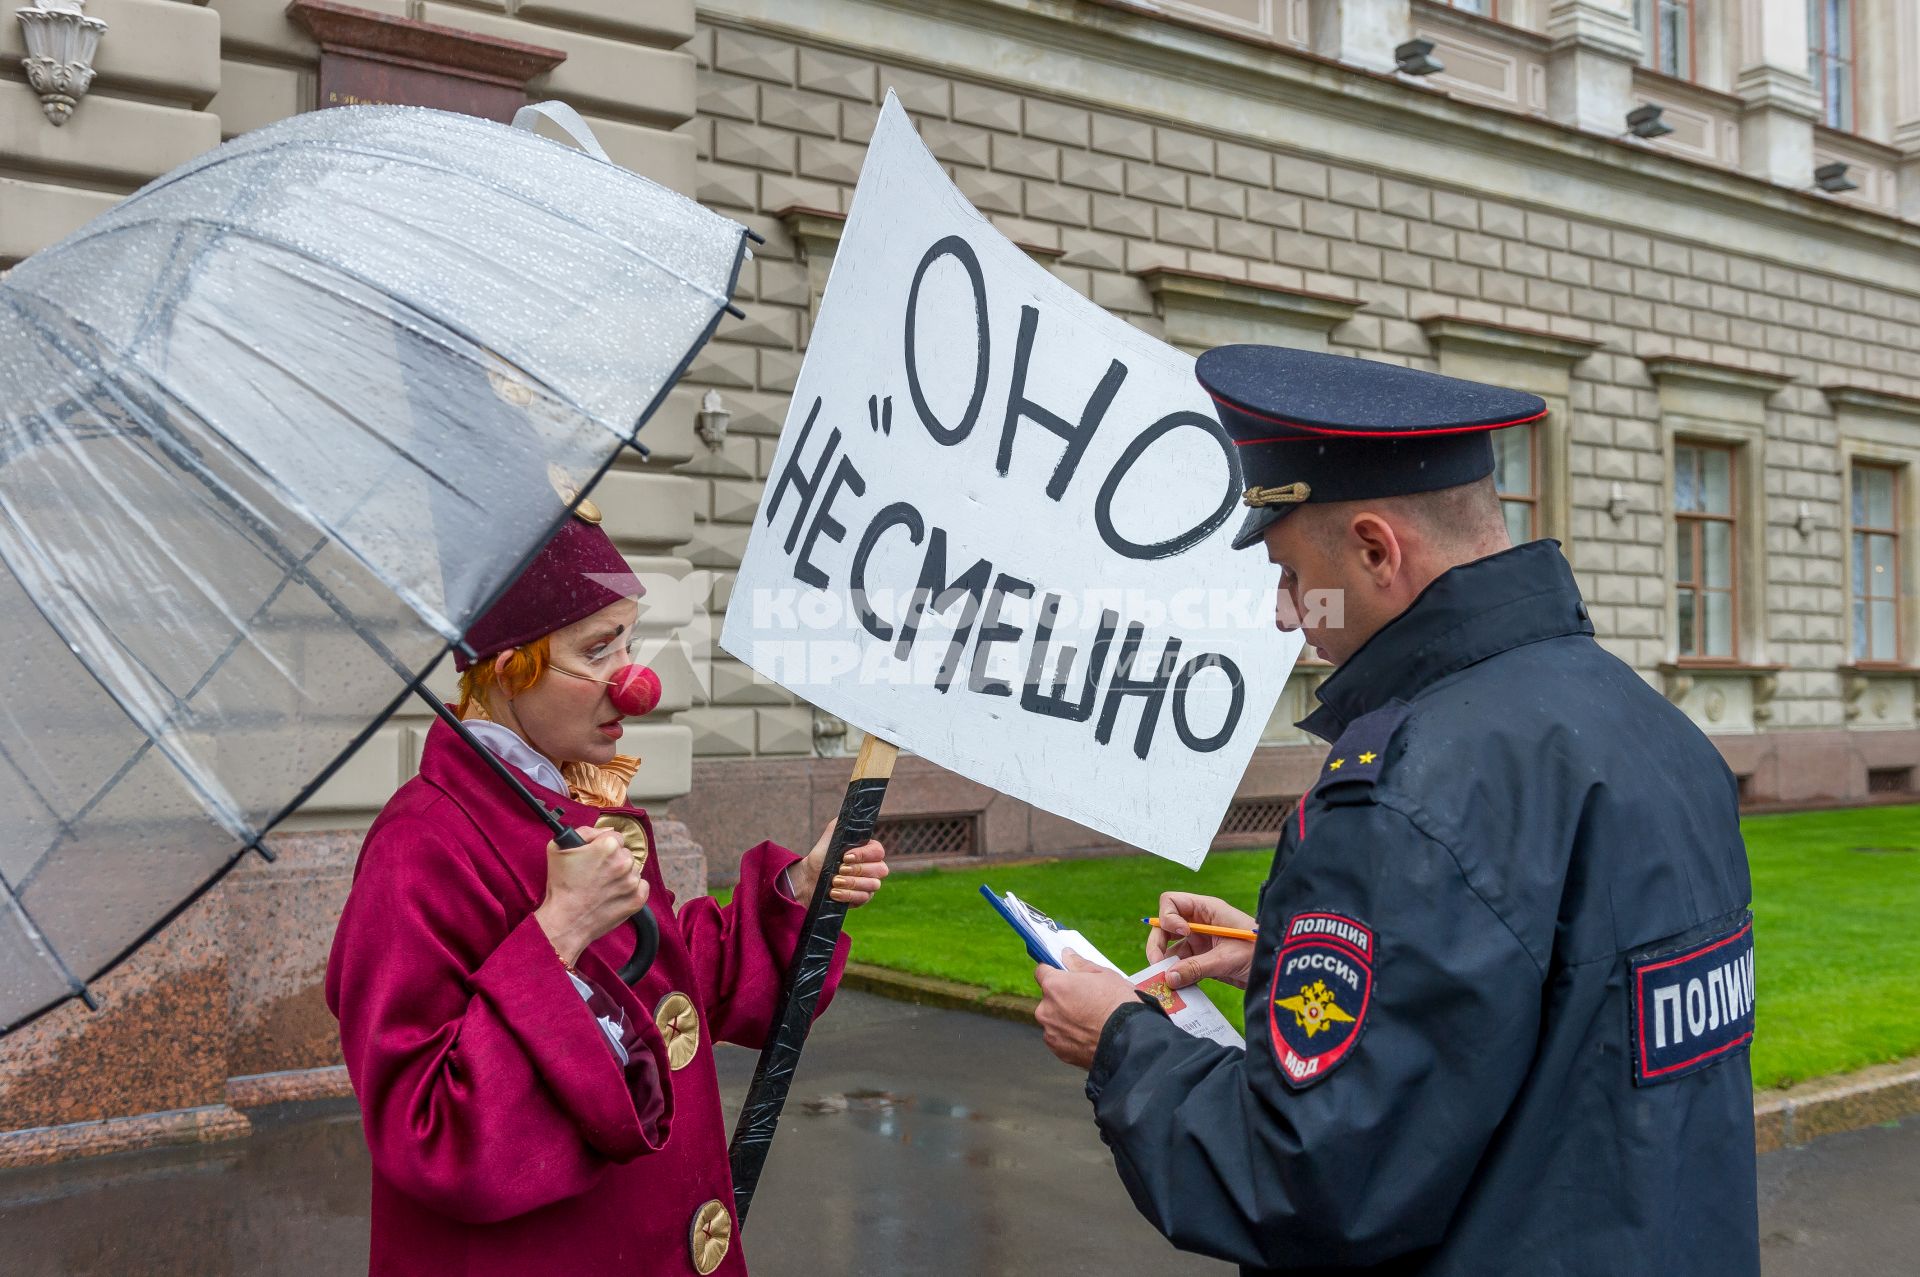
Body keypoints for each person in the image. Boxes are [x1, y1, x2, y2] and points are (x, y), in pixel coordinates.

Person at [1032, 345, 1758, 1275]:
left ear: (1377, 549)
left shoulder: (1408, 791)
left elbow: (1308, 1182)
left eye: (1294, 574)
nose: (1288, 614)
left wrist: (1119, 1042)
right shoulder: (1653, 728)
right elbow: (1568, 1013)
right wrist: (1280, 958)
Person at [326, 493, 888, 1277]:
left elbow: (660, 996)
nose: (635, 684)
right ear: (506, 669)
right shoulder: (419, 845)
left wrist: (797, 889)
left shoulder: (571, 800)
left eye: (630, 642)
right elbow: (428, 1128)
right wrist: (554, 936)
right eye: (597, 651)